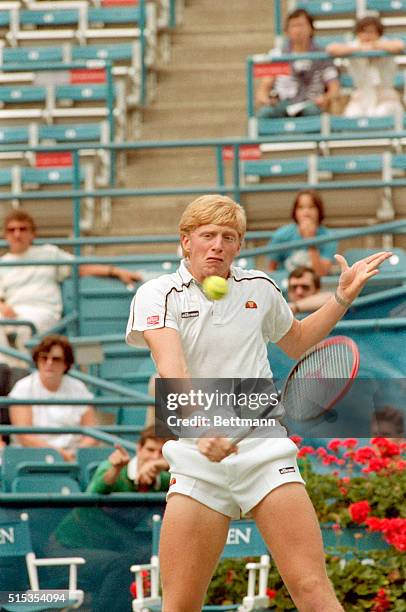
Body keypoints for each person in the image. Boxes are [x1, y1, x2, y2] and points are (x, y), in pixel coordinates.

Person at [125, 193, 390, 612]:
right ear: (186, 241)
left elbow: (298, 340)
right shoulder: (157, 294)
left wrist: (340, 298)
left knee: (311, 589)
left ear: (239, 245)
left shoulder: (261, 288)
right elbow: (171, 366)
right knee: (179, 605)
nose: (218, 245)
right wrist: (201, 429)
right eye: (207, 235)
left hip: (265, 453)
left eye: (228, 237)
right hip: (196, 460)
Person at [0, 210, 143, 358]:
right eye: (12, 230)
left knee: (25, 329)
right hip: (12, 313)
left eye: (23, 229)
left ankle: (21, 373)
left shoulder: (48, 253)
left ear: (33, 233)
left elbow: (81, 268)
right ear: (5, 234)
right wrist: (4, 307)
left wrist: (114, 271)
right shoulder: (2, 263)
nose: (17, 234)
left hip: (43, 311)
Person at [8, 334, 98, 461]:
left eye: (56, 359)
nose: (49, 363)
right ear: (37, 361)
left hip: (73, 458)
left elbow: (92, 432)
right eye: (44, 358)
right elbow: (24, 436)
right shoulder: (23, 388)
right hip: (33, 458)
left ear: (66, 364)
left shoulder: (79, 388)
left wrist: (75, 454)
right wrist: (58, 455)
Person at [256, 9, 340, 118]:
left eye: (301, 25)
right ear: (287, 31)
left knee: (312, 113)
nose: (298, 30)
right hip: (283, 102)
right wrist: (266, 99)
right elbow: (264, 87)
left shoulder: (323, 56)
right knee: (265, 114)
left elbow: (334, 87)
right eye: (294, 26)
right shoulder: (278, 55)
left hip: (312, 103)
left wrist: (326, 98)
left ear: (311, 29)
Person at [327, 16, 404, 118]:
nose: (367, 36)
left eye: (371, 32)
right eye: (363, 32)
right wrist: (359, 49)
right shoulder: (354, 46)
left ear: (378, 34)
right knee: (352, 115)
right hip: (361, 96)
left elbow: (399, 46)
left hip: (386, 96)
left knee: (381, 113)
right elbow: (331, 49)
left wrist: (375, 46)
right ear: (358, 33)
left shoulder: (384, 43)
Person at [268, 190, 338, 275]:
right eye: (301, 207)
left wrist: (311, 241)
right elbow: (271, 270)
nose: (306, 213)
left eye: (311, 207)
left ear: (319, 211)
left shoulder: (329, 237)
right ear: (295, 212)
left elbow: (321, 274)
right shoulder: (281, 235)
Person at [87, 426, 172, 494]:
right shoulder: (114, 468)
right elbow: (93, 495)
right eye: (150, 450)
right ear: (139, 448)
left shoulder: (167, 477)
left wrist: (166, 465)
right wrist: (115, 469)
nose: (155, 457)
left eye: (162, 452)